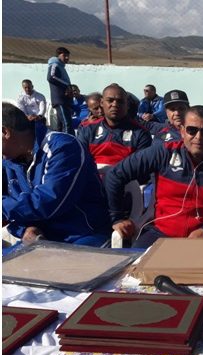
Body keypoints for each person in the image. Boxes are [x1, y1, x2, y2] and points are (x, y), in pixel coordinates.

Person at [105, 106, 203, 248]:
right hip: (161, 234)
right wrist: (116, 218)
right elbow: (115, 175)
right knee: (135, 267)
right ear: (182, 131)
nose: (198, 137)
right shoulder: (163, 153)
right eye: (192, 130)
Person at [2, 103, 111, 246]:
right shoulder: (9, 162)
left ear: (5, 132)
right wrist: (24, 229)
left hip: (83, 236)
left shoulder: (64, 147)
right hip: (41, 239)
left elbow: (49, 202)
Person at [77, 83, 152, 166]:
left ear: (127, 105)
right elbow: (78, 161)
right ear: (102, 103)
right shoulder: (88, 130)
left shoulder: (141, 134)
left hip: (124, 178)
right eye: (110, 100)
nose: (115, 104)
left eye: (120, 101)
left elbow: (140, 168)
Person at [47, 46, 73, 135]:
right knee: (67, 123)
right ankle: (68, 142)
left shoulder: (62, 67)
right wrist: (67, 85)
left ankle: (61, 141)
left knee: (61, 124)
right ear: (58, 55)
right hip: (60, 99)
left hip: (65, 99)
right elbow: (51, 77)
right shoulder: (54, 65)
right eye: (64, 55)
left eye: (68, 56)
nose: (67, 58)